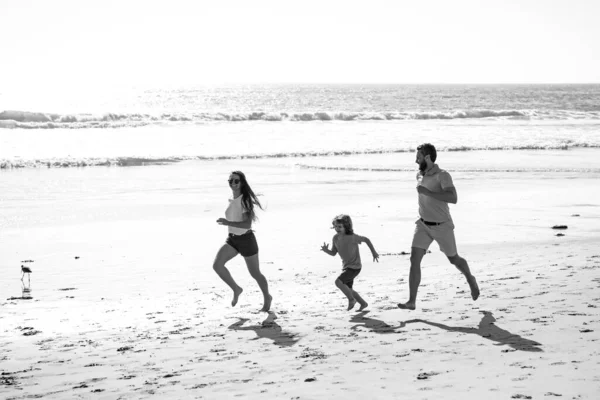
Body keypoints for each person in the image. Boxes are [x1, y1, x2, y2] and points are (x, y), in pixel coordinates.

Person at [398, 143, 479, 311]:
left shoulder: (443, 175)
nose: (415, 160)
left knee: (453, 259)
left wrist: (428, 193)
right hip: (422, 225)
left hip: (442, 226)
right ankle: (412, 301)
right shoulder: (419, 175)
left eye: (418, 157)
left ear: (427, 157)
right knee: (414, 260)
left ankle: (470, 278)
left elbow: (453, 197)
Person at [214, 171, 272, 312]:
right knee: (217, 265)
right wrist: (229, 223)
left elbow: (247, 225)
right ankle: (236, 289)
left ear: (242, 183)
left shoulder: (245, 200)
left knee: (255, 273)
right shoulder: (231, 199)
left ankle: (267, 297)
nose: (233, 183)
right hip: (233, 239)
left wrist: (228, 222)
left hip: (246, 240)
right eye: (230, 181)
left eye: (236, 181)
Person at [321, 214, 379, 311]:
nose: (337, 228)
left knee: (338, 282)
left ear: (346, 226)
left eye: (339, 227)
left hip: (355, 267)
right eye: (335, 226)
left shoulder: (352, 237)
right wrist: (326, 250)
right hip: (346, 267)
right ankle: (363, 303)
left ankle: (351, 300)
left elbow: (366, 240)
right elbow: (334, 253)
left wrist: (373, 252)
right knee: (349, 289)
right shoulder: (335, 238)